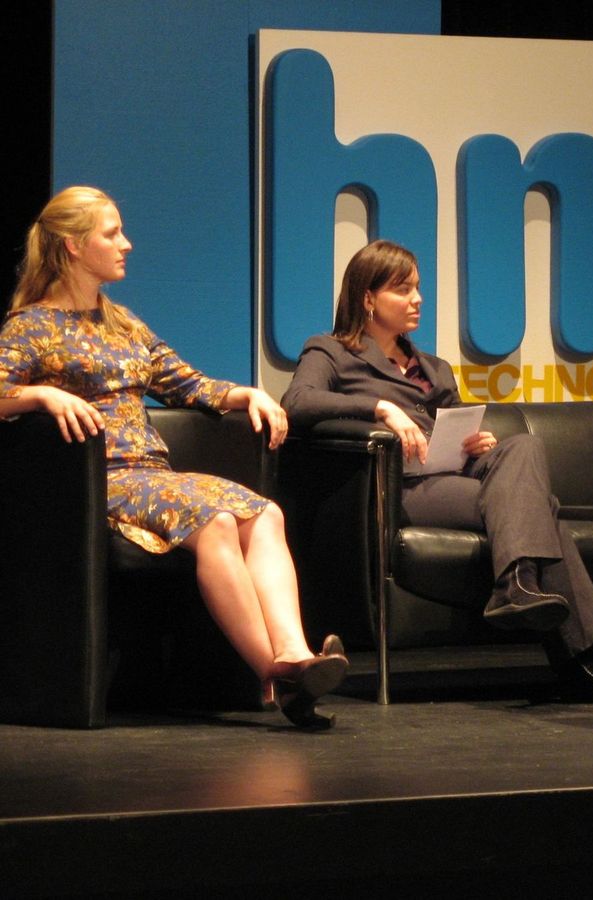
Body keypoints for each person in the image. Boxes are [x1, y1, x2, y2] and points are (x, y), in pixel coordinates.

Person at [0, 186, 348, 729]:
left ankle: (296, 654)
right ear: (71, 246)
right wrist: (41, 395)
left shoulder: (124, 324)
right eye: (112, 233)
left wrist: (246, 394)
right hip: (95, 482)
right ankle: (276, 678)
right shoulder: (30, 327)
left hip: (152, 476)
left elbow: (187, 384)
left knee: (265, 514)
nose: (127, 244)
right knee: (213, 522)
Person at [281, 239, 593, 703]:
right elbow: (298, 402)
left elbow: (453, 426)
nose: (418, 299)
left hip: (452, 476)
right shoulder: (330, 351)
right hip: (399, 486)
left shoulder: (434, 368)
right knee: (543, 511)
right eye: (403, 290)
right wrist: (381, 406)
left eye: (418, 288)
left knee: (520, 445)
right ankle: (580, 661)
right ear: (368, 298)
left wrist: (472, 443)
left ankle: (520, 587)